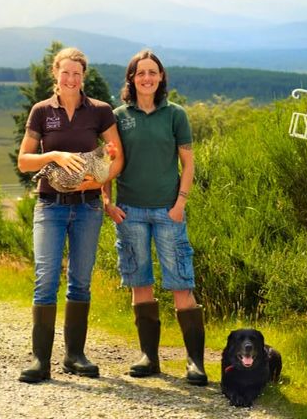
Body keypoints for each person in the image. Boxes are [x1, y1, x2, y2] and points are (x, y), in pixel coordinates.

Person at [17, 47, 123, 384]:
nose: (71, 79)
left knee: (80, 279)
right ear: (55, 74)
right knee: (45, 278)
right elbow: (24, 161)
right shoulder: (40, 112)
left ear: (84, 76)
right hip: (50, 206)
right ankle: (40, 360)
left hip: (89, 206)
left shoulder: (101, 111)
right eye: (66, 73)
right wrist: (57, 154)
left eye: (77, 73)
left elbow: (116, 156)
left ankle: (75, 356)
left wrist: (98, 179)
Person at [102, 49, 207, 386]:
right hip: (129, 212)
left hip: (168, 211)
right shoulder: (118, 116)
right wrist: (107, 200)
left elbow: (188, 164)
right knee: (139, 282)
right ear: (131, 78)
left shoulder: (175, 115)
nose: (147, 78)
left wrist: (180, 204)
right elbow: (108, 162)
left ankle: (195, 363)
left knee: (181, 282)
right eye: (140, 72)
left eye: (153, 72)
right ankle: (149, 358)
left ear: (161, 77)